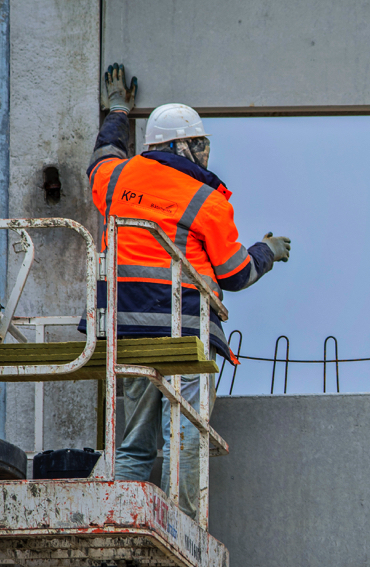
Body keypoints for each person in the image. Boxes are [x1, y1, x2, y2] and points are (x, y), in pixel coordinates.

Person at [82, 63, 291, 519]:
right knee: (187, 432)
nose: (205, 153)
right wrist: (267, 251)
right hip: (184, 334)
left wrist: (119, 110)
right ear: (181, 146)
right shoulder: (207, 202)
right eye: (200, 144)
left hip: (124, 331)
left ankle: (116, 513)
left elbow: (103, 154)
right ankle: (184, 523)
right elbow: (235, 274)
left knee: (134, 441)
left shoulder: (116, 180)